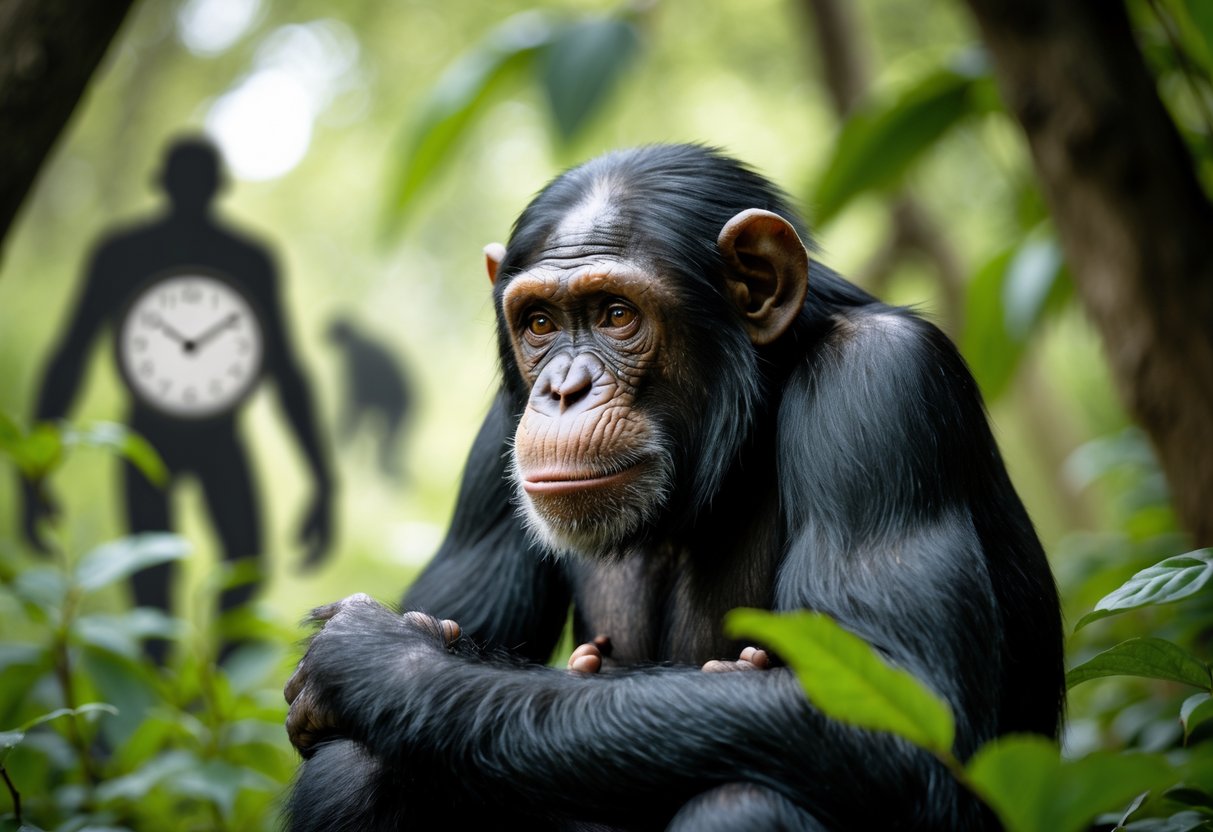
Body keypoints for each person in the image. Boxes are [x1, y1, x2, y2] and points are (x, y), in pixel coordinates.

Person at [21, 136, 334, 664]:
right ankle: (170, 706)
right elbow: (69, 357)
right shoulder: (122, 253)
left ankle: (210, 705)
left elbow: (284, 369)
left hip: (216, 438)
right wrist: (31, 473)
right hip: (147, 439)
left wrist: (323, 478)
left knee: (244, 569)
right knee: (152, 589)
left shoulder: (247, 259)